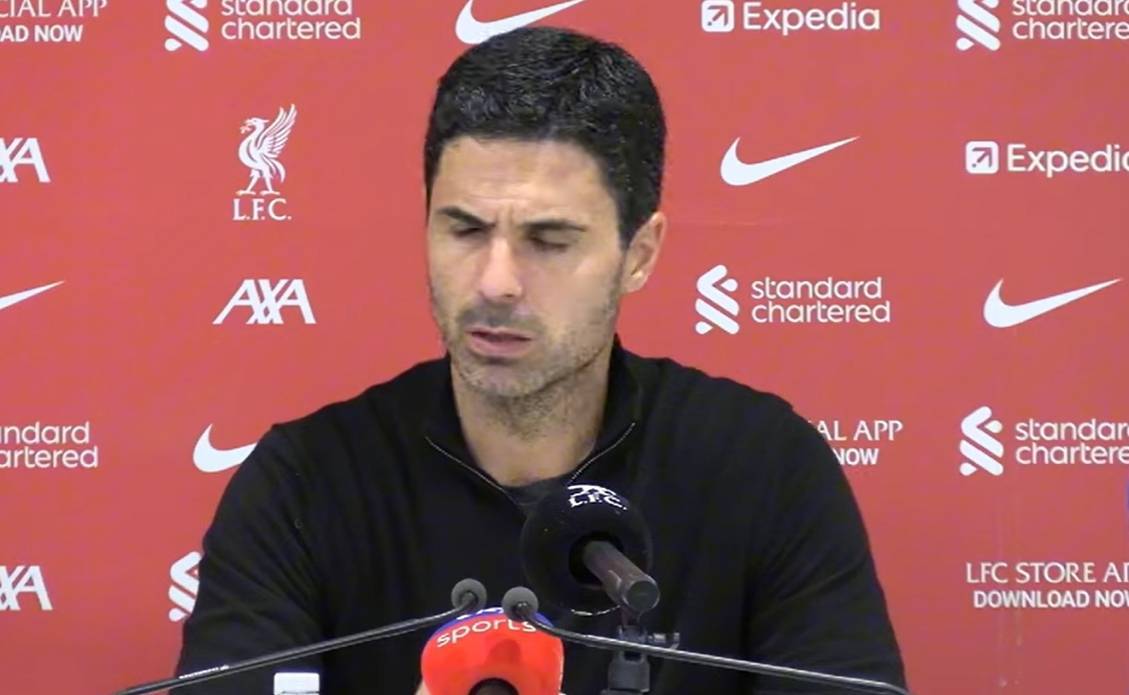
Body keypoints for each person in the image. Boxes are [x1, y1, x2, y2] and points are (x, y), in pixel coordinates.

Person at [175, 26, 906, 694]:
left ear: (639, 254)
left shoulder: (762, 465)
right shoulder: (304, 484)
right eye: (464, 230)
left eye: (549, 241)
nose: (496, 282)